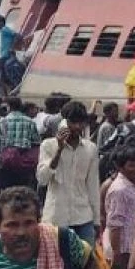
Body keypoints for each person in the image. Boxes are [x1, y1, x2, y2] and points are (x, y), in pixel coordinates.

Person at [37, 101, 101, 245]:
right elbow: (42, 179)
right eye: (73, 122)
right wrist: (59, 150)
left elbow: (93, 186)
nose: (77, 127)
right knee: (56, 257)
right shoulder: (48, 145)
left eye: (81, 123)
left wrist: (96, 220)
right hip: (56, 217)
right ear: (64, 122)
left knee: (86, 257)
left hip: (83, 217)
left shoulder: (90, 149)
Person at [104, 146, 135, 269]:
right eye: (132, 166)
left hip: (133, 246)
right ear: (121, 167)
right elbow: (115, 224)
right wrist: (117, 254)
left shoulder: (133, 185)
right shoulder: (120, 190)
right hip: (124, 251)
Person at [0, 96, 41, 190]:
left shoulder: (3, 121)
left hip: (6, 163)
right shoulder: (30, 121)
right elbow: (36, 142)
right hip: (24, 164)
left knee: (5, 190)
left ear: (8, 107)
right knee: (23, 190)